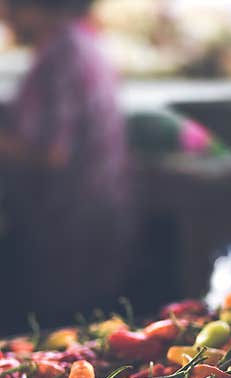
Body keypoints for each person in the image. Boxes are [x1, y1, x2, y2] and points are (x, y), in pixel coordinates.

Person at [0, 0, 133, 332]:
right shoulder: (79, 42)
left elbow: (52, 154)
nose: (4, 15)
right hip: (90, 217)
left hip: (69, 224)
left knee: (59, 339)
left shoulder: (61, 55)